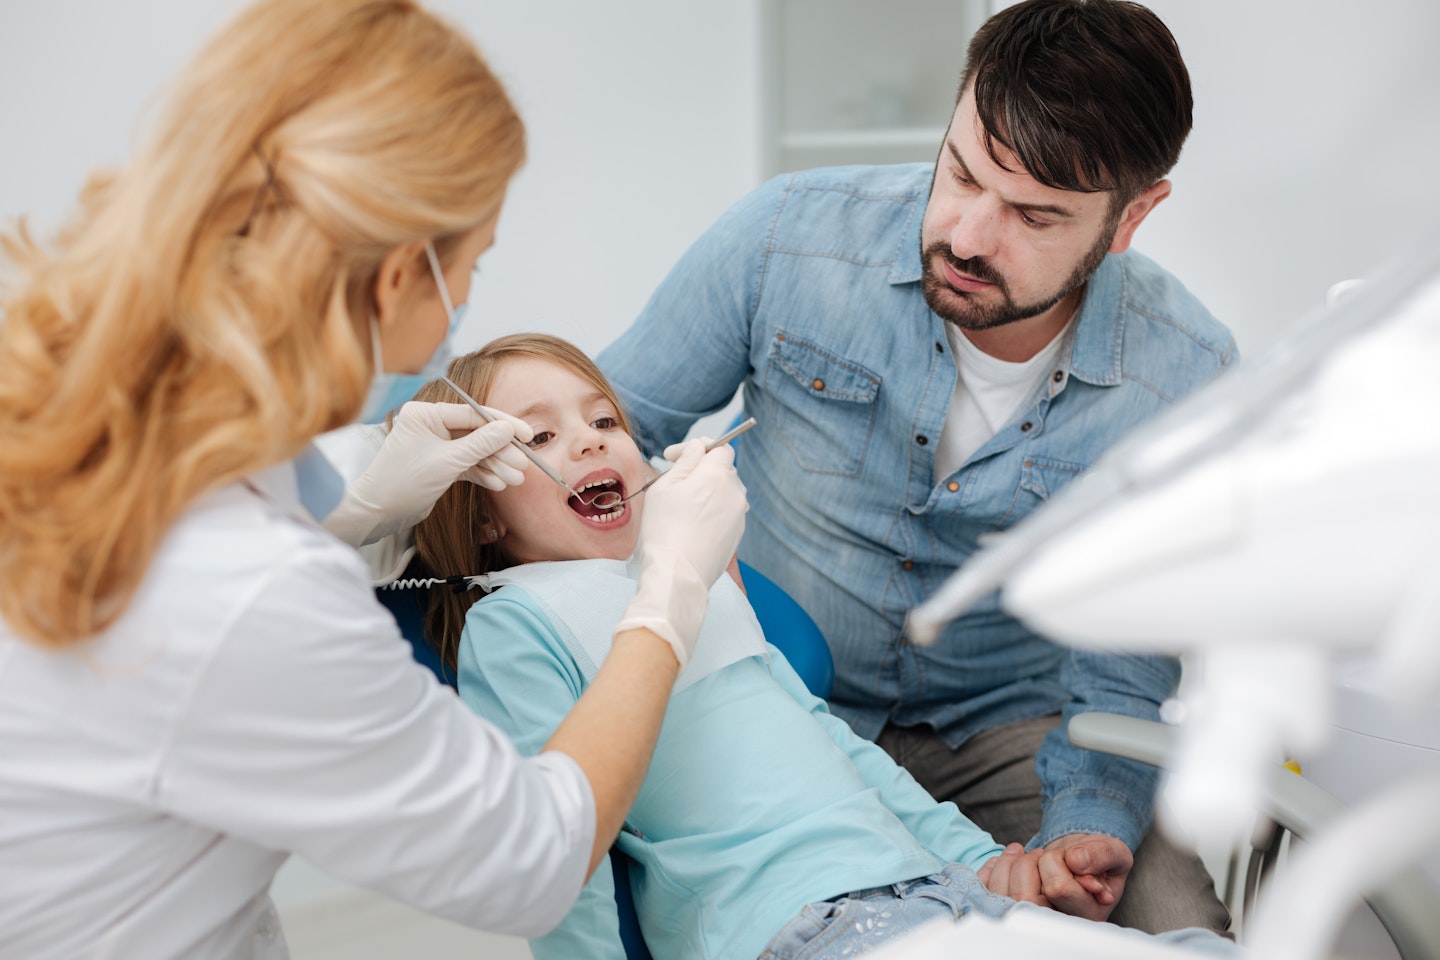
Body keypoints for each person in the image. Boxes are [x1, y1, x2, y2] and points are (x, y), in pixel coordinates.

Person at [0, 1, 745, 957]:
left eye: (604, 422)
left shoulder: (80, 409)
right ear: (399, 278)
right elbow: (532, 860)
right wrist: (672, 590)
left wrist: (355, 516)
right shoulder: (255, 589)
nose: (464, 302)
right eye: (470, 266)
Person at [595, 0, 1237, 936]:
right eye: (963, 172)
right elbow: (608, 435)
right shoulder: (786, 240)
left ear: (1132, 215)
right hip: (780, 696)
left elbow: (1123, 673)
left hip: (1015, 730)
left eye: (1032, 214)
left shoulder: (1183, 379)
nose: (970, 235)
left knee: (1168, 920)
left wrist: (1081, 840)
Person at [404, 334, 1235, 960]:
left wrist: (983, 864)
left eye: (603, 420)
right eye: (539, 439)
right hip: (806, 925)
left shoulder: (701, 581)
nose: (588, 442)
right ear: (479, 511)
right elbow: (562, 859)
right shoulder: (513, 623)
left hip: (933, 893)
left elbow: (836, 749)